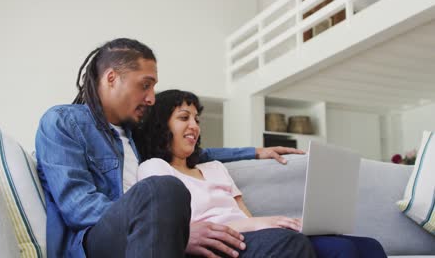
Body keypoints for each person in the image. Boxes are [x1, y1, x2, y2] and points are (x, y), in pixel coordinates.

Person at [35, 38, 306, 258]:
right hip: (96, 242)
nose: (152, 98)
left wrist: (256, 152)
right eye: (145, 85)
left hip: (158, 240)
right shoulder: (63, 122)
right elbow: (79, 208)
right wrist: (175, 229)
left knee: (286, 244)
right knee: (164, 187)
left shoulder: (135, 135)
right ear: (111, 78)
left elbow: (198, 153)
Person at [135, 89, 388, 258]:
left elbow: (245, 215)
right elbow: (168, 228)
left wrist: (269, 224)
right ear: (160, 125)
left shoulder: (215, 168)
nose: (194, 126)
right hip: (221, 244)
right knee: (295, 244)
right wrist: (263, 225)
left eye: (197, 119)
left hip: (251, 236)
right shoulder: (155, 168)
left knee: (367, 247)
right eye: (183, 117)